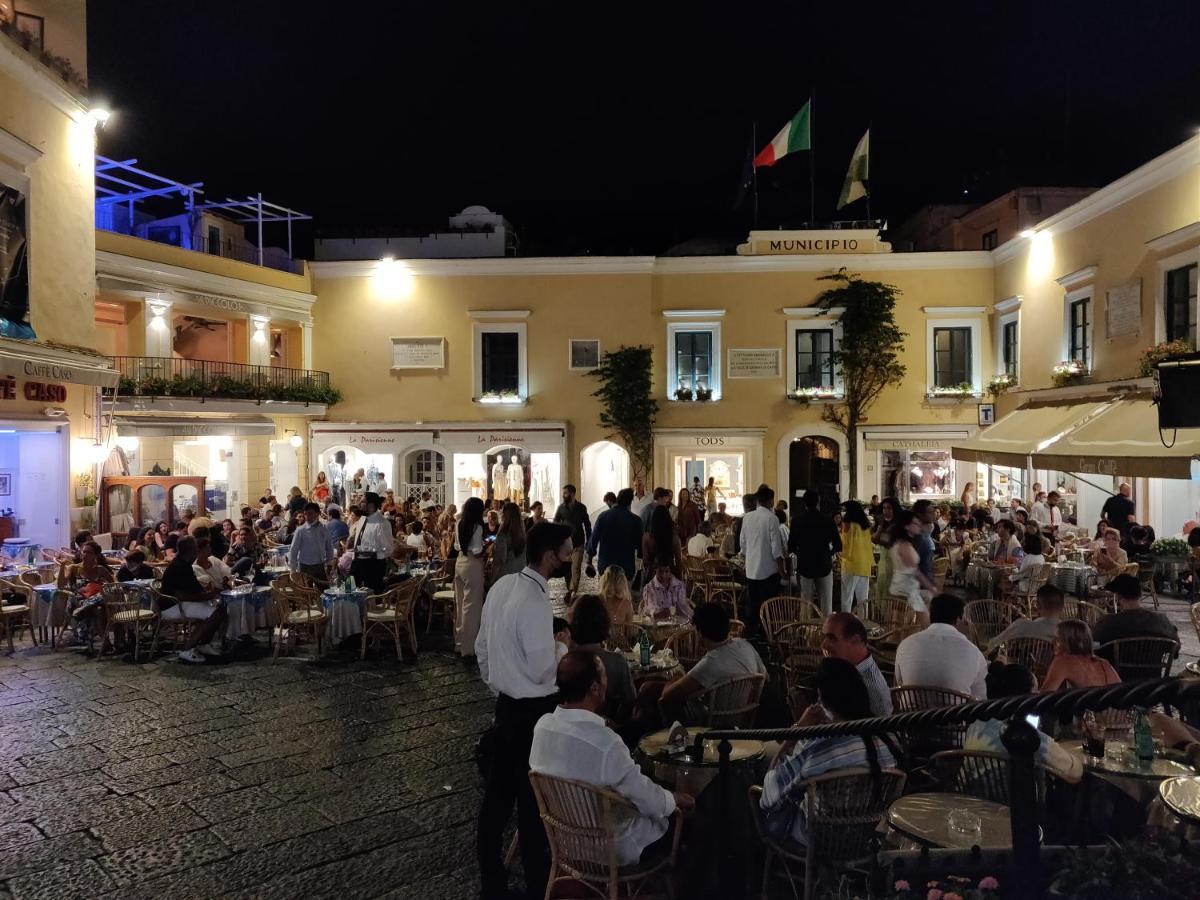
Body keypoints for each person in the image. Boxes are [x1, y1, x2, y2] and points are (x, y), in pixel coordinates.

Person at [475, 521, 574, 900]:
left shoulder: (502, 586)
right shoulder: (535, 601)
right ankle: (536, 886)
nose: (568, 558)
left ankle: (492, 880)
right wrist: (561, 646)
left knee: (497, 804)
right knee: (533, 807)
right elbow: (541, 669)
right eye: (565, 552)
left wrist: (498, 682)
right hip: (534, 713)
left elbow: (483, 646)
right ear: (550, 556)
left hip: (507, 709)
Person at [529, 651, 692, 867]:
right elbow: (649, 800)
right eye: (604, 675)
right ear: (595, 688)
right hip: (612, 848)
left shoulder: (543, 727)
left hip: (565, 842)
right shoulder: (605, 743)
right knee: (691, 821)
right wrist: (677, 799)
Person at [760, 657, 898, 844]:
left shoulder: (820, 747)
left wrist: (797, 730)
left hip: (822, 838)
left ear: (822, 699)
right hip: (867, 837)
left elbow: (770, 797)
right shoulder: (888, 741)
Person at [963, 662, 1083, 783]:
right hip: (1013, 801)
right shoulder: (1026, 736)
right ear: (1024, 699)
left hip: (968, 797)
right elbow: (1075, 772)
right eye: (1035, 693)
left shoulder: (976, 724)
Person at [657, 602, 767, 724]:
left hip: (711, 726)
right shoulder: (745, 645)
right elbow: (765, 678)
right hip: (745, 719)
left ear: (699, 632)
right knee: (648, 689)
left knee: (661, 700)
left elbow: (666, 696)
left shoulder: (710, 663)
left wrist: (675, 675)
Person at [894, 594, 988, 698]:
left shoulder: (906, 644)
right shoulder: (974, 653)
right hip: (953, 714)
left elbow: (899, 685)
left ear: (931, 616)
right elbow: (980, 698)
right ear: (958, 619)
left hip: (910, 713)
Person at [159, 536, 228, 663]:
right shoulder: (179, 567)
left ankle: (203, 643)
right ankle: (187, 649)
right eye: (196, 548)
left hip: (180, 602)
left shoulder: (184, 564)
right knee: (216, 613)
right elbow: (182, 595)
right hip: (172, 605)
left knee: (220, 610)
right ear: (190, 550)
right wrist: (209, 595)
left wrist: (207, 593)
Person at [567, 598, 637, 724]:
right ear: (604, 623)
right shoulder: (617, 662)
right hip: (610, 728)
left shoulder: (565, 661)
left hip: (571, 726)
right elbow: (630, 700)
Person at [821, 613, 893, 717]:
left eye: (831, 638)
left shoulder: (873, 692)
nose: (823, 645)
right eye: (824, 637)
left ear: (856, 640)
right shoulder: (842, 670)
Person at [740, 484, 786, 639]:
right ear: (771, 501)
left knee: (752, 604)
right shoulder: (772, 518)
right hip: (769, 571)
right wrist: (782, 570)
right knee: (769, 605)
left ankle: (751, 633)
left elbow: (743, 544)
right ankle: (767, 634)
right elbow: (776, 549)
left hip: (751, 569)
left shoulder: (747, 517)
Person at [790, 490, 842, 616]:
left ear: (804, 503)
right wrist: (828, 553)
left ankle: (805, 632)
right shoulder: (827, 520)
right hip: (824, 565)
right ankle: (826, 632)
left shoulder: (797, 521)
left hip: (805, 566)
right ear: (818, 502)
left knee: (806, 604)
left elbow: (790, 546)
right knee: (826, 606)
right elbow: (838, 545)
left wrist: (801, 552)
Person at [1093, 573, 1179, 646]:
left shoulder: (1108, 623)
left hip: (1116, 665)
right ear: (1140, 595)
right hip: (1153, 665)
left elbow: (1094, 646)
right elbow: (1175, 648)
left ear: (1118, 596)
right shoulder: (1161, 621)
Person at [1041, 619, 1121, 692]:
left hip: (1087, 706)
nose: (1052, 642)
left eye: (1057, 639)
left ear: (1070, 641)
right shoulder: (1104, 663)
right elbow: (1120, 691)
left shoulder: (1063, 661)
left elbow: (1043, 697)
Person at [585, 488, 643, 583]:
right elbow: (640, 547)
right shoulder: (635, 520)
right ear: (630, 502)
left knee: (604, 596)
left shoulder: (603, 516)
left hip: (605, 566)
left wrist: (589, 561)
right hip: (626, 568)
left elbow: (593, 540)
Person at [454, 496, 487, 662]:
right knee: (471, 607)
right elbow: (477, 551)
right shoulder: (477, 527)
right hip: (472, 564)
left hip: (459, 562)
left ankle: (459, 642)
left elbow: (456, 546)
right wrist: (487, 547)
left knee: (460, 604)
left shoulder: (459, 523)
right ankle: (469, 647)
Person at [988, 584, 1065, 652]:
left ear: (1037, 605)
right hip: (1056, 668)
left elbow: (993, 645)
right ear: (1062, 607)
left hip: (1019, 667)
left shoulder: (1021, 626)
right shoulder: (1068, 634)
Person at [889, 510, 934, 623]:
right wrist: (931, 587)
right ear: (906, 526)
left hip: (907, 588)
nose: (919, 526)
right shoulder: (904, 545)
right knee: (907, 625)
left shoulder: (905, 543)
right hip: (905, 590)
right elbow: (915, 571)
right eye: (915, 523)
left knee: (905, 625)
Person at [553, 484, 592, 604]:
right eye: (563, 493)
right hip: (565, 545)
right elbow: (555, 522)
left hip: (578, 543)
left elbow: (587, 524)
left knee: (575, 568)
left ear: (573, 494)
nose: (563, 495)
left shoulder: (581, 508)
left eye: (565, 493)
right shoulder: (561, 508)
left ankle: (572, 591)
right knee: (567, 569)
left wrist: (589, 540)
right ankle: (570, 590)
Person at [287, 502, 335, 586]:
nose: (307, 517)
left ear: (317, 514)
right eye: (305, 514)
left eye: (310, 514)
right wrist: (293, 569)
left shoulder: (323, 529)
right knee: (306, 592)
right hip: (305, 567)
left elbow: (329, 548)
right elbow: (293, 550)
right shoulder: (300, 530)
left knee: (324, 590)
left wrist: (329, 563)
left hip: (320, 566)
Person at [839, 501, 874, 614]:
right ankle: (864, 625)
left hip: (851, 564)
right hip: (864, 564)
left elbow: (844, 542)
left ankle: (845, 625)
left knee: (847, 598)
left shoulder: (847, 522)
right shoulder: (865, 525)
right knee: (863, 599)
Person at [641, 505, 682, 577]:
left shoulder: (647, 537)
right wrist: (679, 577)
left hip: (653, 576)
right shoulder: (674, 538)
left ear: (653, 519)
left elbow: (645, 561)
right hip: (669, 574)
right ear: (668, 519)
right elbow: (678, 561)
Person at [491, 501, 527, 580]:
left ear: (505, 515)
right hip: (520, 574)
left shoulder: (503, 535)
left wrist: (492, 580)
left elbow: (499, 561)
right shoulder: (522, 534)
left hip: (506, 576)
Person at [871, 497, 898, 599]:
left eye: (889, 508)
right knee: (882, 585)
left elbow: (887, 542)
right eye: (884, 508)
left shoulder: (898, 524)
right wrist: (880, 526)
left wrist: (881, 538)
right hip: (884, 560)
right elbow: (873, 539)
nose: (886, 511)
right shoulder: (882, 523)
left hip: (895, 561)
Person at [1009, 531, 1046, 595]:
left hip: (1026, 586)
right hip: (1038, 586)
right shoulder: (1041, 557)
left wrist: (1010, 577)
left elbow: (1021, 574)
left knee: (1004, 582)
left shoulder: (1028, 558)